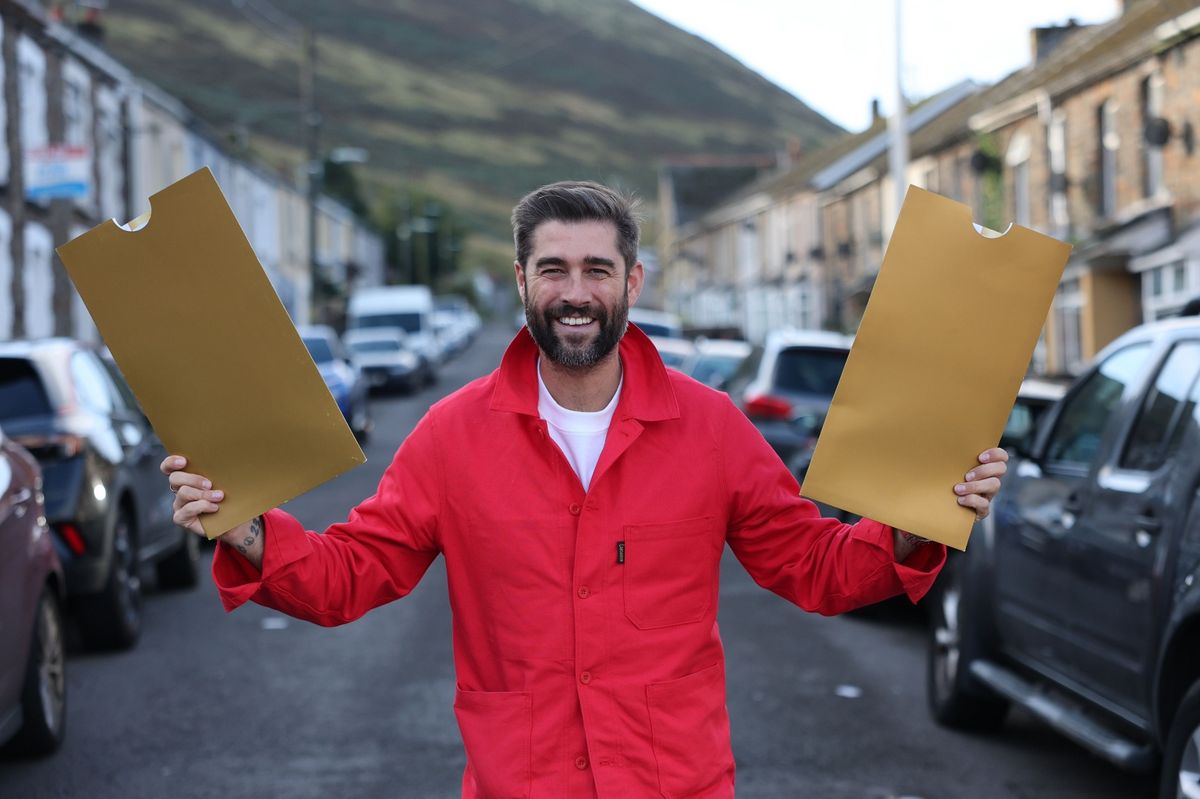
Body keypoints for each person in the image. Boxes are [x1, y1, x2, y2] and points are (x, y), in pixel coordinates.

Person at [162, 181, 1007, 799]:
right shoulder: (451, 435)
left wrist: (911, 523)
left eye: (597, 269)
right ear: (522, 279)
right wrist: (245, 528)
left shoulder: (710, 427)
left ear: (632, 284)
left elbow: (813, 564)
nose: (576, 293)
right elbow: (351, 573)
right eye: (555, 269)